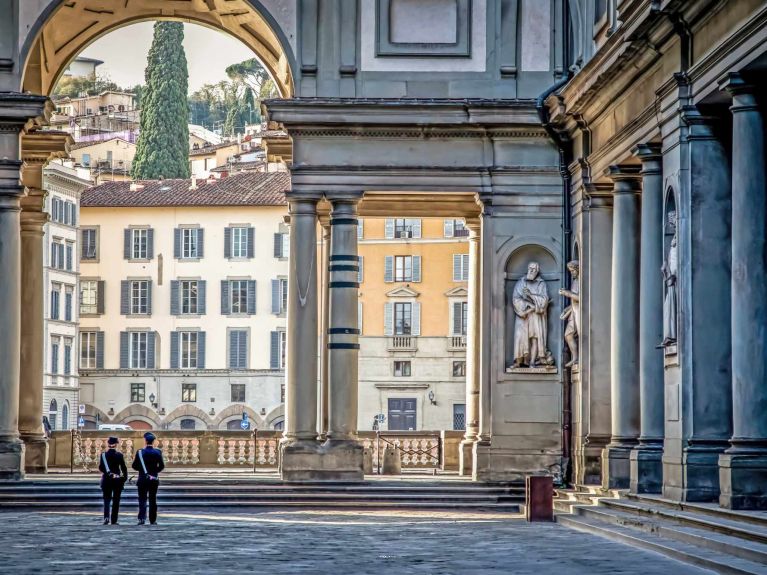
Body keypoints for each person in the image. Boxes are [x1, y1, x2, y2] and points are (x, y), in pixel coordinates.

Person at [512, 261, 552, 368]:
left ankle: (532, 362)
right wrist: (528, 305)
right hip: (524, 315)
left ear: (537, 271)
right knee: (520, 337)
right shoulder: (521, 282)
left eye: (534, 269)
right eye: (530, 268)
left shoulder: (541, 283)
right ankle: (519, 361)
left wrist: (531, 295)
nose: (531, 270)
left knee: (534, 338)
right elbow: (515, 299)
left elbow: (544, 300)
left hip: (536, 316)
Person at [132, 432, 165, 525]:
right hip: (154, 479)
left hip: (142, 479)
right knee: (153, 499)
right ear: (153, 441)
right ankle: (152, 519)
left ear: (145, 441)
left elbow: (134, 466)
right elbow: (162, 466)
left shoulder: (140, 452)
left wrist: (142, 470)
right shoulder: (158, 452)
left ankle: (142, 518)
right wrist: (154, 472)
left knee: (142, 499)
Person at [98, 436, 127, 525]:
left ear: (108, 444)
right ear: (116, 445)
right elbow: (123, 468)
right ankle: (114, 520)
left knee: (106, 500)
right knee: (116, 501)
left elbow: (101, 468)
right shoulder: (119, 455)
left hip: (106, 480)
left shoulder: (103, 455)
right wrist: (124, 479)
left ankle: (106, 517)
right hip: (117, 481)